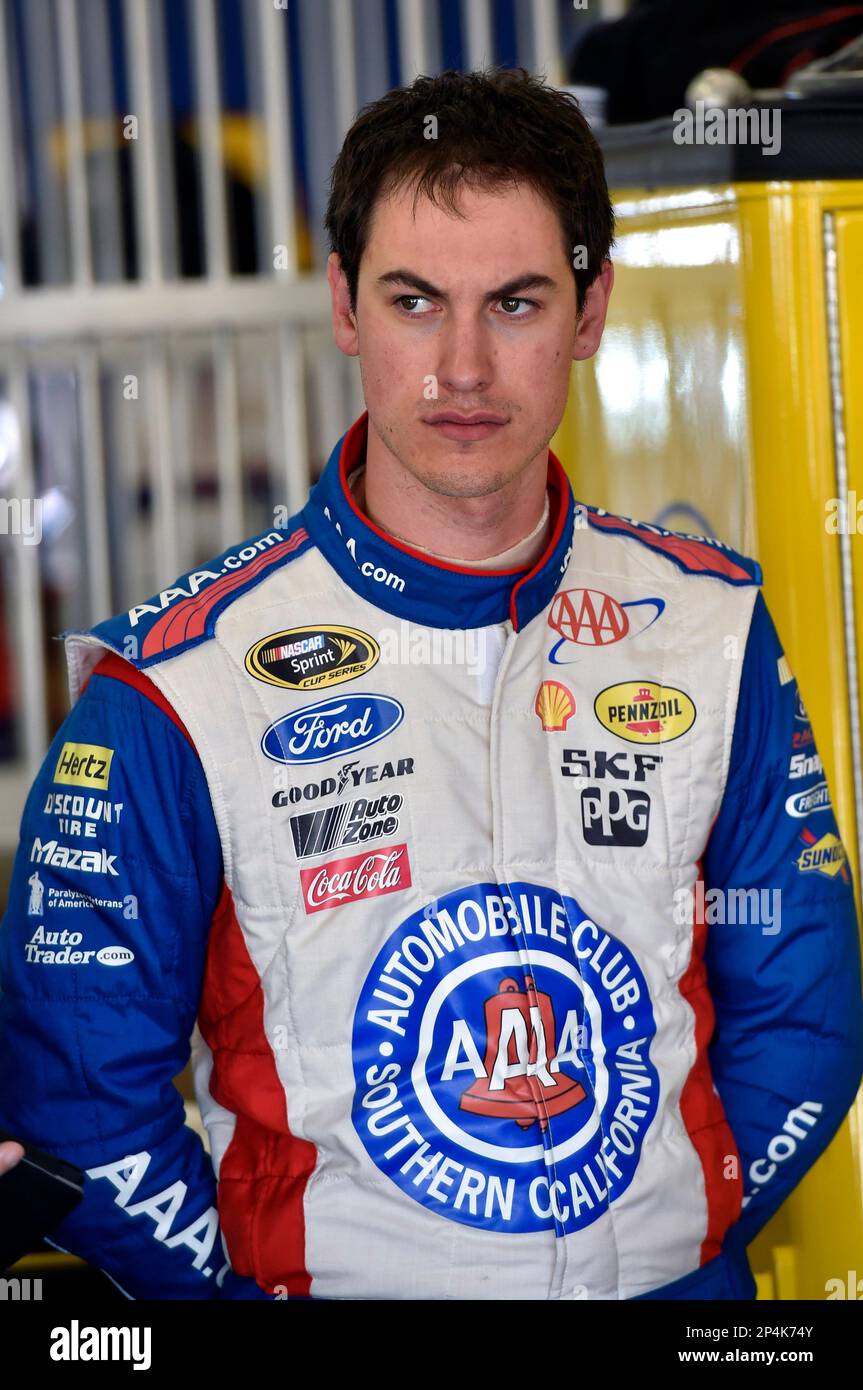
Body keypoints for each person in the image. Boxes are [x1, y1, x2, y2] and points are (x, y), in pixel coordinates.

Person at [0, 67, 861, 1302]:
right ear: (346, 304)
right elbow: (79, 1107)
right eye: (416, 302)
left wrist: (686, 1233)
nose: (461, 367)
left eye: (515, 303)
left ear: (590, 307)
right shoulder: (175, 687)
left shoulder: (711, 624)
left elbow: (805, 1020)